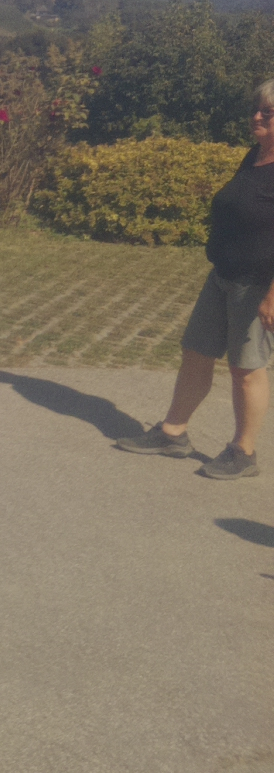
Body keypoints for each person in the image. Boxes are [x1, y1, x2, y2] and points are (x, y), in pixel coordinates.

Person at [116, 81, 274, 478]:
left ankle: (243, 452)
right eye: (256, 109)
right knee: (196, 353)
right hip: (223, 276)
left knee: (245, 369)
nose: (256, 116)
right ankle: (173, 433)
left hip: (257, 284)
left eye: (268, 112)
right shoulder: (254, 156)